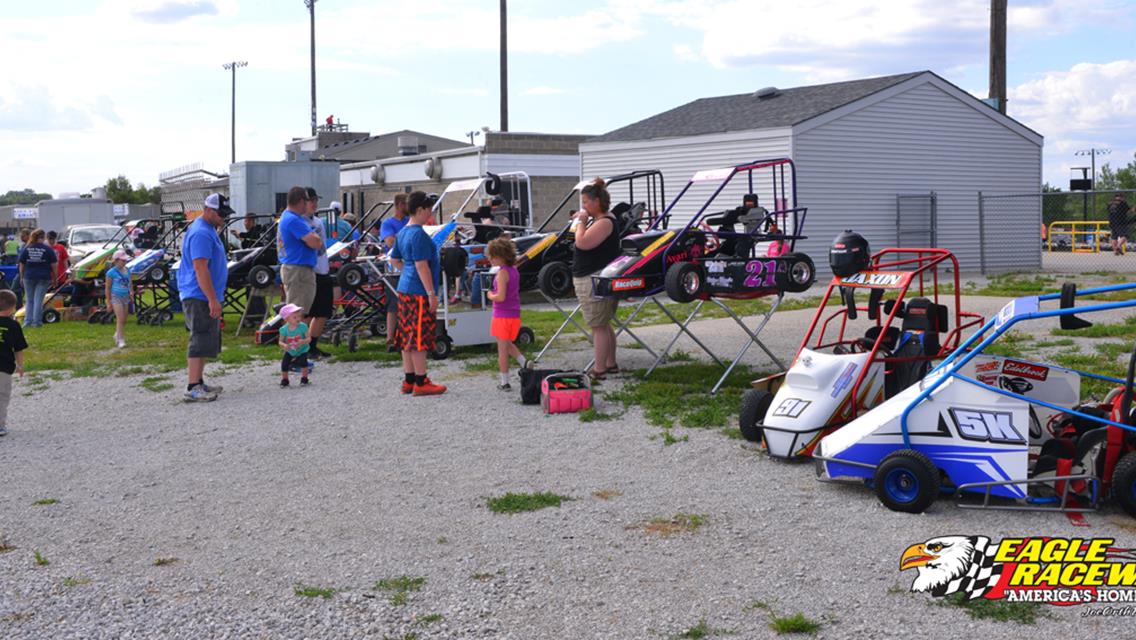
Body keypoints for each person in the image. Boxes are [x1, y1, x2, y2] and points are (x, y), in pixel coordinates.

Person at [389, 191, 446, 396]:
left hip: (404, 289)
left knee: (406, 335)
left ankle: (409, 379)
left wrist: (407, 271)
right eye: (429, 209)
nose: (430, 214)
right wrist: (431, 293)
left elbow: (394, 259)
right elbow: (423, 266)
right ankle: (421, 382)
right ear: (420, 209)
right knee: (419, 336)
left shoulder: (402, 232)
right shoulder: (419, 234)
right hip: (419, 292)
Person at [177, 193, 233, 402]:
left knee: (205, 337)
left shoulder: (209, 229)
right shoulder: (201, 233)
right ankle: (192, 386)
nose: (223, 218)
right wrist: (212, 298)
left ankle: (199, 381)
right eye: (220, 214)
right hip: (199, 294)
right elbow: (200, 268)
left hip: (203, 294)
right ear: (208, 210)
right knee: (199, 336)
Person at [571, 178, 621, 381]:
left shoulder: (604, 222)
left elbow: (582, 243)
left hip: (594, 278)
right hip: (595, 276)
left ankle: (599, 369)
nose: (583, 206)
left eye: (585, 202)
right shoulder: (603, 220)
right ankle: (610, 363)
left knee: (598, 325)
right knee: (604, 322)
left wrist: (581, 222)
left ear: (596, 201)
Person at [484, 237, 528, 390]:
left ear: (499, 257)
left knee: (502, 350)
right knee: (508, 344)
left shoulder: (502, 274)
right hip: (514, 313)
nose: (490, 259)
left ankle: (505, 382)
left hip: (502, 315)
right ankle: (524, 363)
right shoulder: (514, 270)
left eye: (492, 256)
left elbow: (500, 296)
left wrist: (490, 295)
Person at [277, 186, 322, 314]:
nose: (307, 205)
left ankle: (295, 334)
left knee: (297, 314)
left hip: (295, 268)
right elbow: (316, 242)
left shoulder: (288, 217)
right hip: (298, 271)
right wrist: (315, 237)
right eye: (307, 201)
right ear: (301, 201)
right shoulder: (294, 220)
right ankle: (291, 335)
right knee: (296, 315)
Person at [303, 187, 333, 359]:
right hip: (309, 271)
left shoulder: (319, 222)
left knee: (323, 311)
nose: (314, 203)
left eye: (315, 200)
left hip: (322, 268)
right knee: (306, 312)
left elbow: (321, 246)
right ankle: (300, 347)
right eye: (310, 200)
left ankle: (312, 345)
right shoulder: (299, 222)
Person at [380, 193, 410, 349]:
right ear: (399, 205)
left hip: (409, 265)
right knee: (393, 303)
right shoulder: (388, 223)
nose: (408, 207)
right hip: (394, 268)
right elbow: (390, 242)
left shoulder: (409, 222)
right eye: (406, 204)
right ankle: (390, 338)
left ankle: (407, 334)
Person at [0, 289, 28, 437]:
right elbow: (18, 348)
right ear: (12, 307)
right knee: (2, 397)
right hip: (3, 367)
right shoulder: (14, 326)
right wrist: (20, 365)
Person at [17, 228, 57, 328]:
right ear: (43, 238)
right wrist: (55, 278)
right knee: (38, 300)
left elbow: (22, 264)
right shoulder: (48, 249)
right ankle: (37, 322)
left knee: (29, 300)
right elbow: (54, 265)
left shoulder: (27, 248)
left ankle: (27, 322)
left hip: (29, 276)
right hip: (43, 277)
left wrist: (22, 277)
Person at [104, 250, 134, 348]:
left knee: (124, 319)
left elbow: (130, 282)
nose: (125, 262)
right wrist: (108, 302)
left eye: (125, 260)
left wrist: (131, 292)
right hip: (116, 297)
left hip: (125, 296)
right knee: (120, 318)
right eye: (123, 260)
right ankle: (120, 339)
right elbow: (108, 287)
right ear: (116, 261)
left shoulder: (127, 270)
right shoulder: (111, 273)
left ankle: (117, 333)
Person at [277, 303, 311, 387]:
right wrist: (284, 345)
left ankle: (304, 378)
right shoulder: (283, 329)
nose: (298, 319)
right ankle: (285, 380)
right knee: (284, 364)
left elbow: (309, 339)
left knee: (303, 363)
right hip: (290, 350)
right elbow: (280, 341)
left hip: (302, 349)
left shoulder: (303, 327)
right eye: (295, 317)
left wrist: (303, 341)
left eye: (299, 316)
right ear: (286, 319)